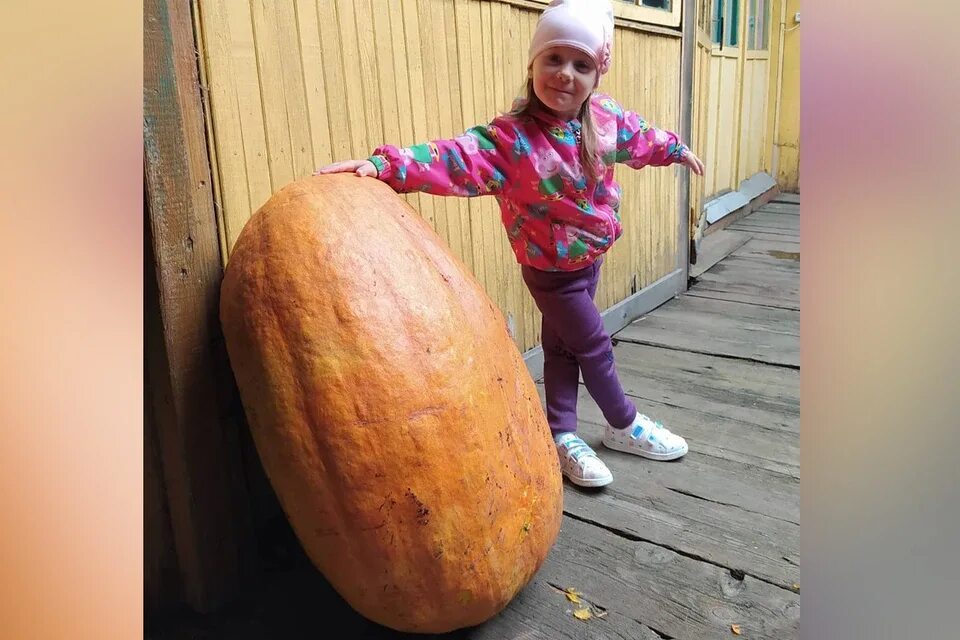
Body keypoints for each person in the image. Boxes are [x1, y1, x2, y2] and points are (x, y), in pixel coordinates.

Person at [316, 0, 704, 488]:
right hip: (549, 271)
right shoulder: (511, 141)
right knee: (593, 343)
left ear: (596, 76)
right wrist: (384, 166)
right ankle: (622, 423)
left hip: (590, 259)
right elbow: (453, 158)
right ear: (533, 64)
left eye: (581, 65)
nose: (565, 74)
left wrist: (674, 148)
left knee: (562, 346)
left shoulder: (603, 120)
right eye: (553, 59)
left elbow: (639, 136)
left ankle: (562, 433)